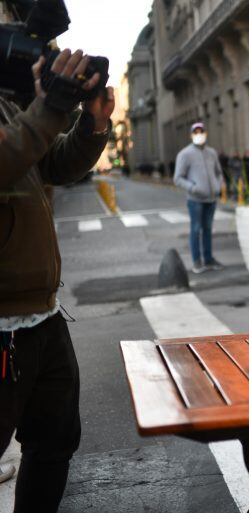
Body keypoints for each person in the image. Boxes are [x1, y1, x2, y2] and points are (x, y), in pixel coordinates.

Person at [0, 49, 114, 512]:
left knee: (53, 442)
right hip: (1, 326)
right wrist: (49, 106)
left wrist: (92, 124)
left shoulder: (9, 106)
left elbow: (55, 164)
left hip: (42, 316)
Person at [174, 122, 225, 274]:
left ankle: (208, 259)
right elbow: (178, 178)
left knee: (208, 229)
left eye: (201, 131)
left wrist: (218, 185)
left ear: (205, 133)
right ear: (191, 135)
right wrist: (193, 188)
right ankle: (197, 262)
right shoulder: (185, 154)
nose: (199, 134)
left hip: (211, 199)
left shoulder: (212, 153)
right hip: (195, 200)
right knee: (195, 230)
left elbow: (218, 172)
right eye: (196, 132)